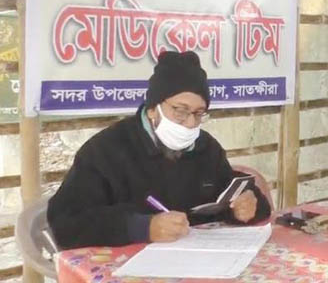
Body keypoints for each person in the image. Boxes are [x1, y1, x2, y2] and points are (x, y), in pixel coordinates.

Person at [48, 51, 271, 249]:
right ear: (153, 109)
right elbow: (65, 223)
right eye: (180, 111)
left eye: (198, 113)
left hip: (197, 260)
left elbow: (231, 194)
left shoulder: (206, 148)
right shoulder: (105, 150)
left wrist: (248, 207)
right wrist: (143, 227)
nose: (190, 123)